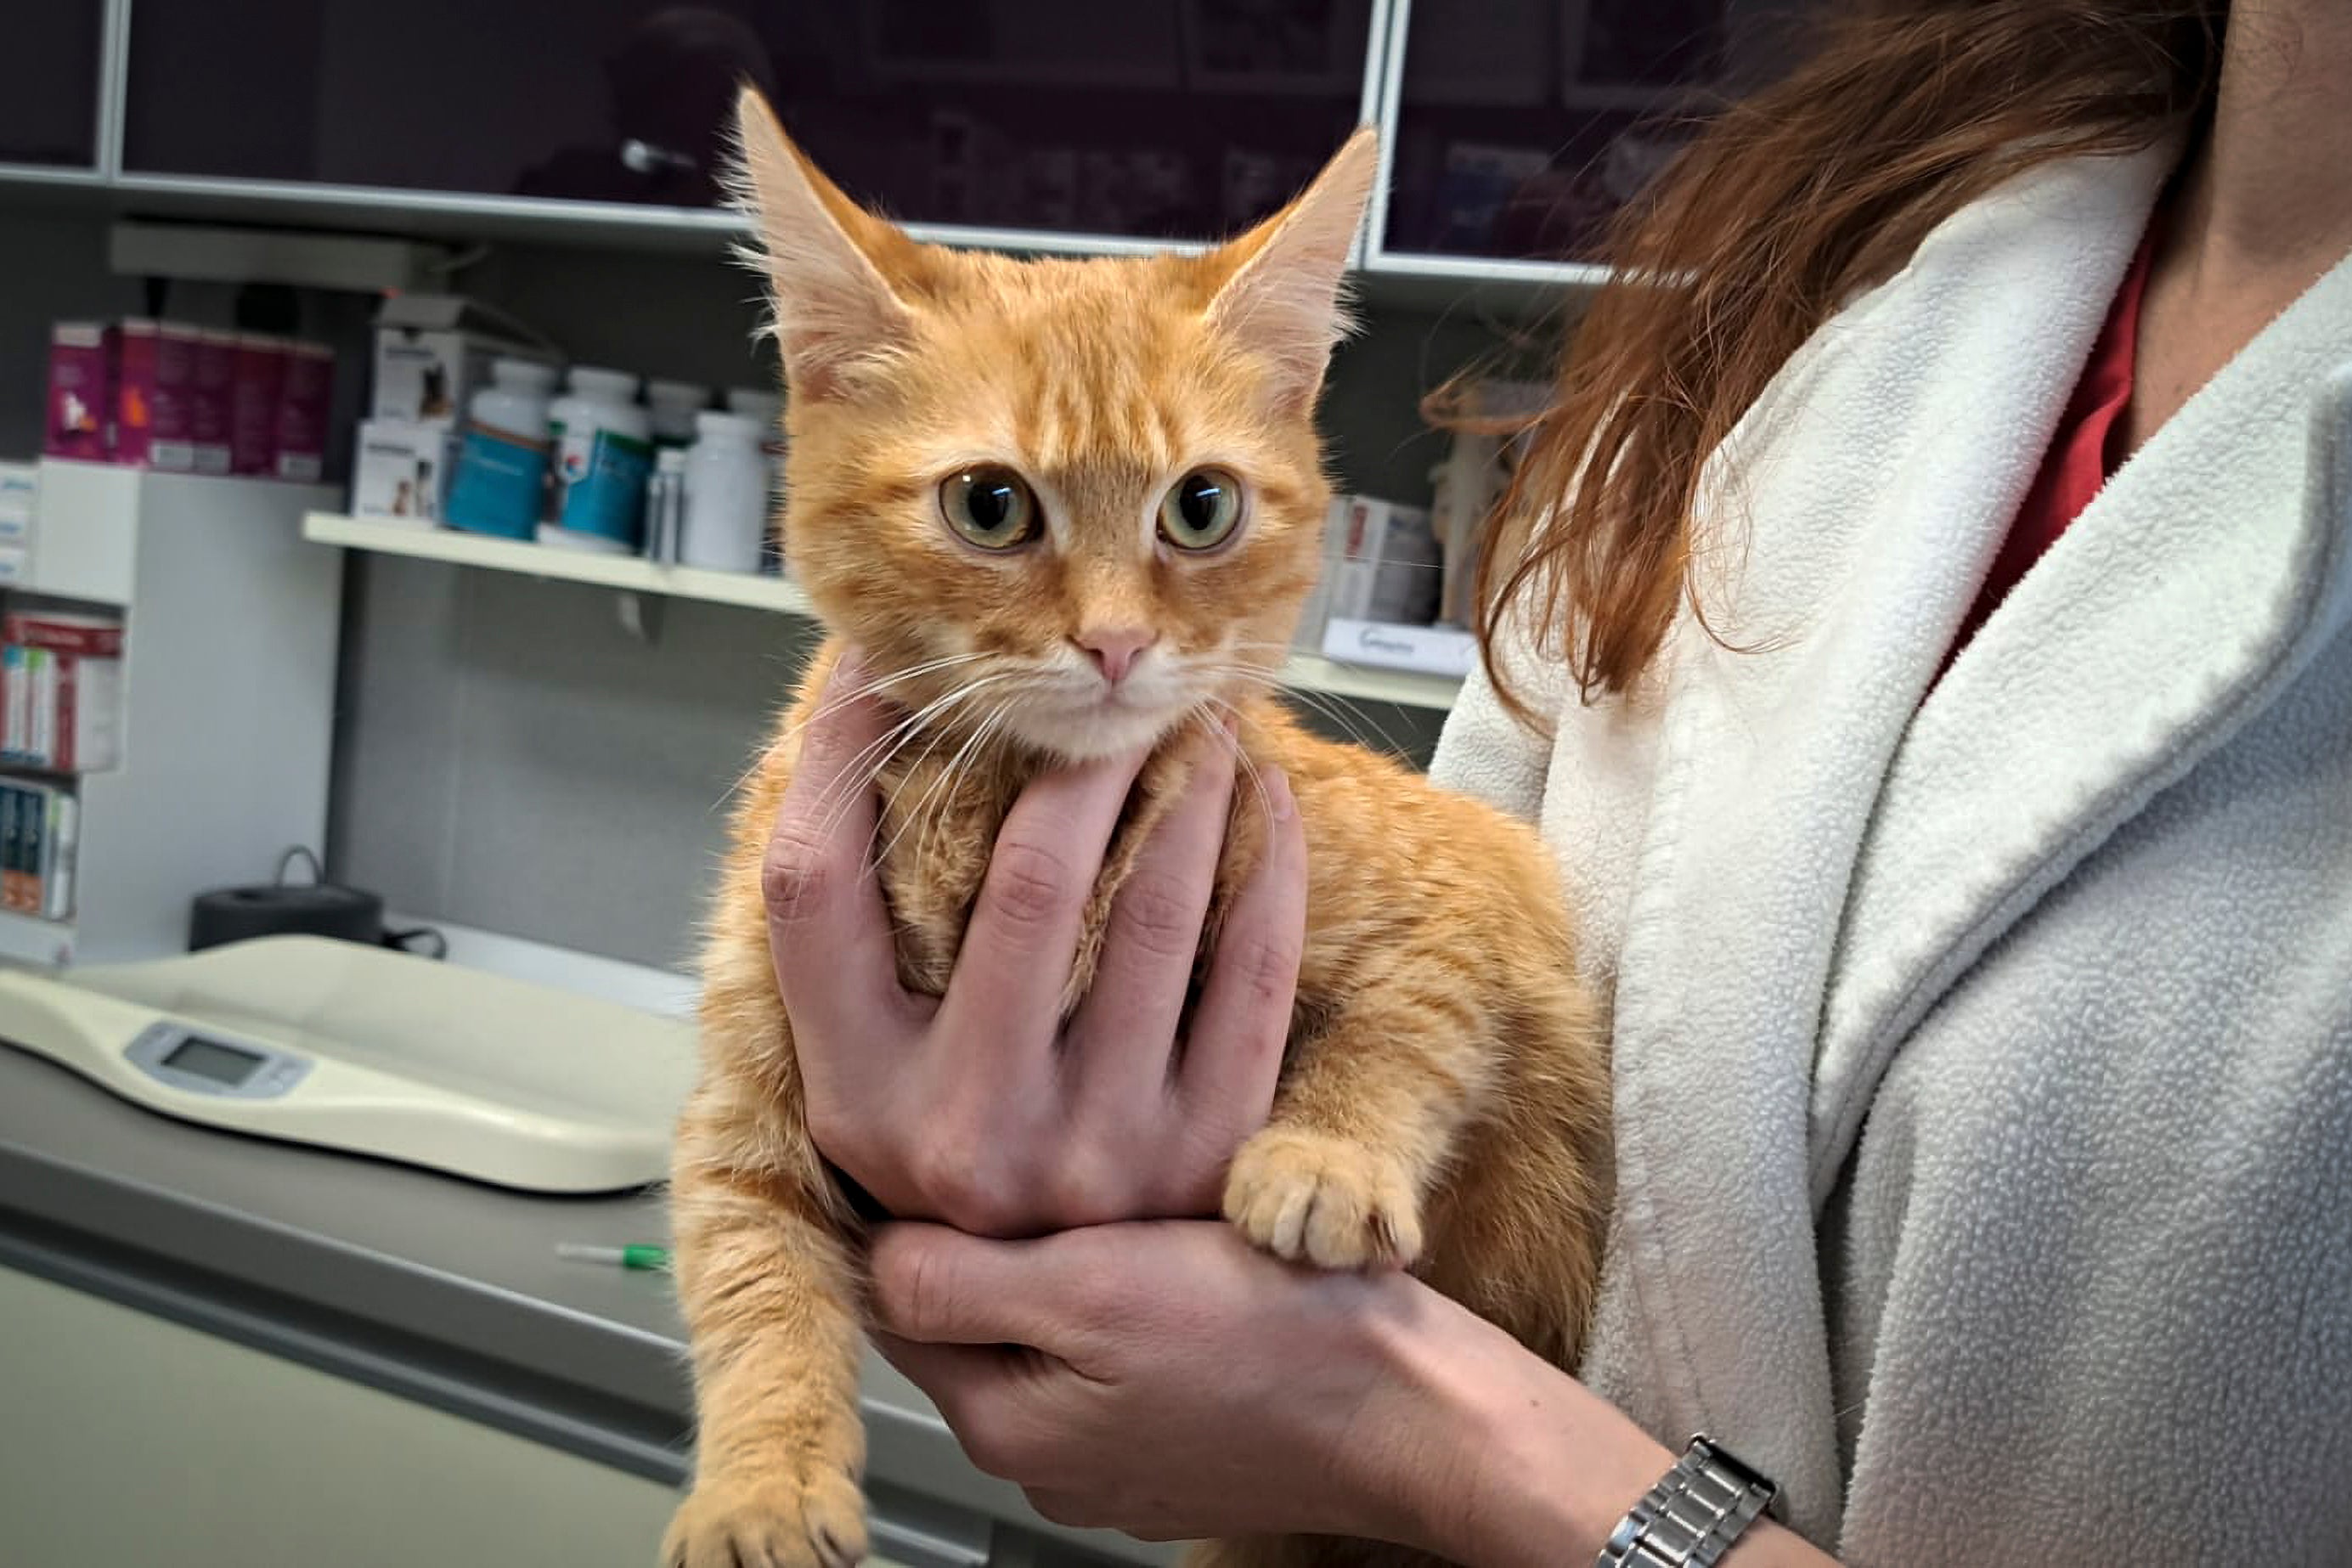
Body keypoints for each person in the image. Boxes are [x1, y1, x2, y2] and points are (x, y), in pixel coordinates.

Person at [753, 1, 2352, 1560]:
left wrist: (1425, 1434)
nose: (1109, 628)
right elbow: (1499, 942)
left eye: (1191, 517)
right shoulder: (1849, 269)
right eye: (990, 508)